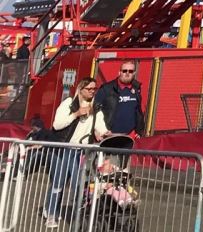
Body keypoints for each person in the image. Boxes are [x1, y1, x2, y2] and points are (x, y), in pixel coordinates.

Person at [45, 77, 108, 229]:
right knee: (58, 183)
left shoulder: (96, 107)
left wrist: (104, 132)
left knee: (78, 185)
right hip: (63, 148)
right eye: (89, 89)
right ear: (81, 89)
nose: (92, 92)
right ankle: (51, 212)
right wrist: (76, 114)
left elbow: (101, 126)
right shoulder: (69, 103)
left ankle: (78, 217)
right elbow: (57, 125)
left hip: (81, 151)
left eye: (94, 89)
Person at [94, 61, 144, 139]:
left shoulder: (136, 88)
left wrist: (139, 131)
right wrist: (98, 130)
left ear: (134, 73)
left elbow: (138, 111)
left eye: (130, 71)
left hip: (130, 137)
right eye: (124, 71)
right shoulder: (106, 88)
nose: (127, 73)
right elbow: (94, 110)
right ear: (119, 72)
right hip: (109, 136)